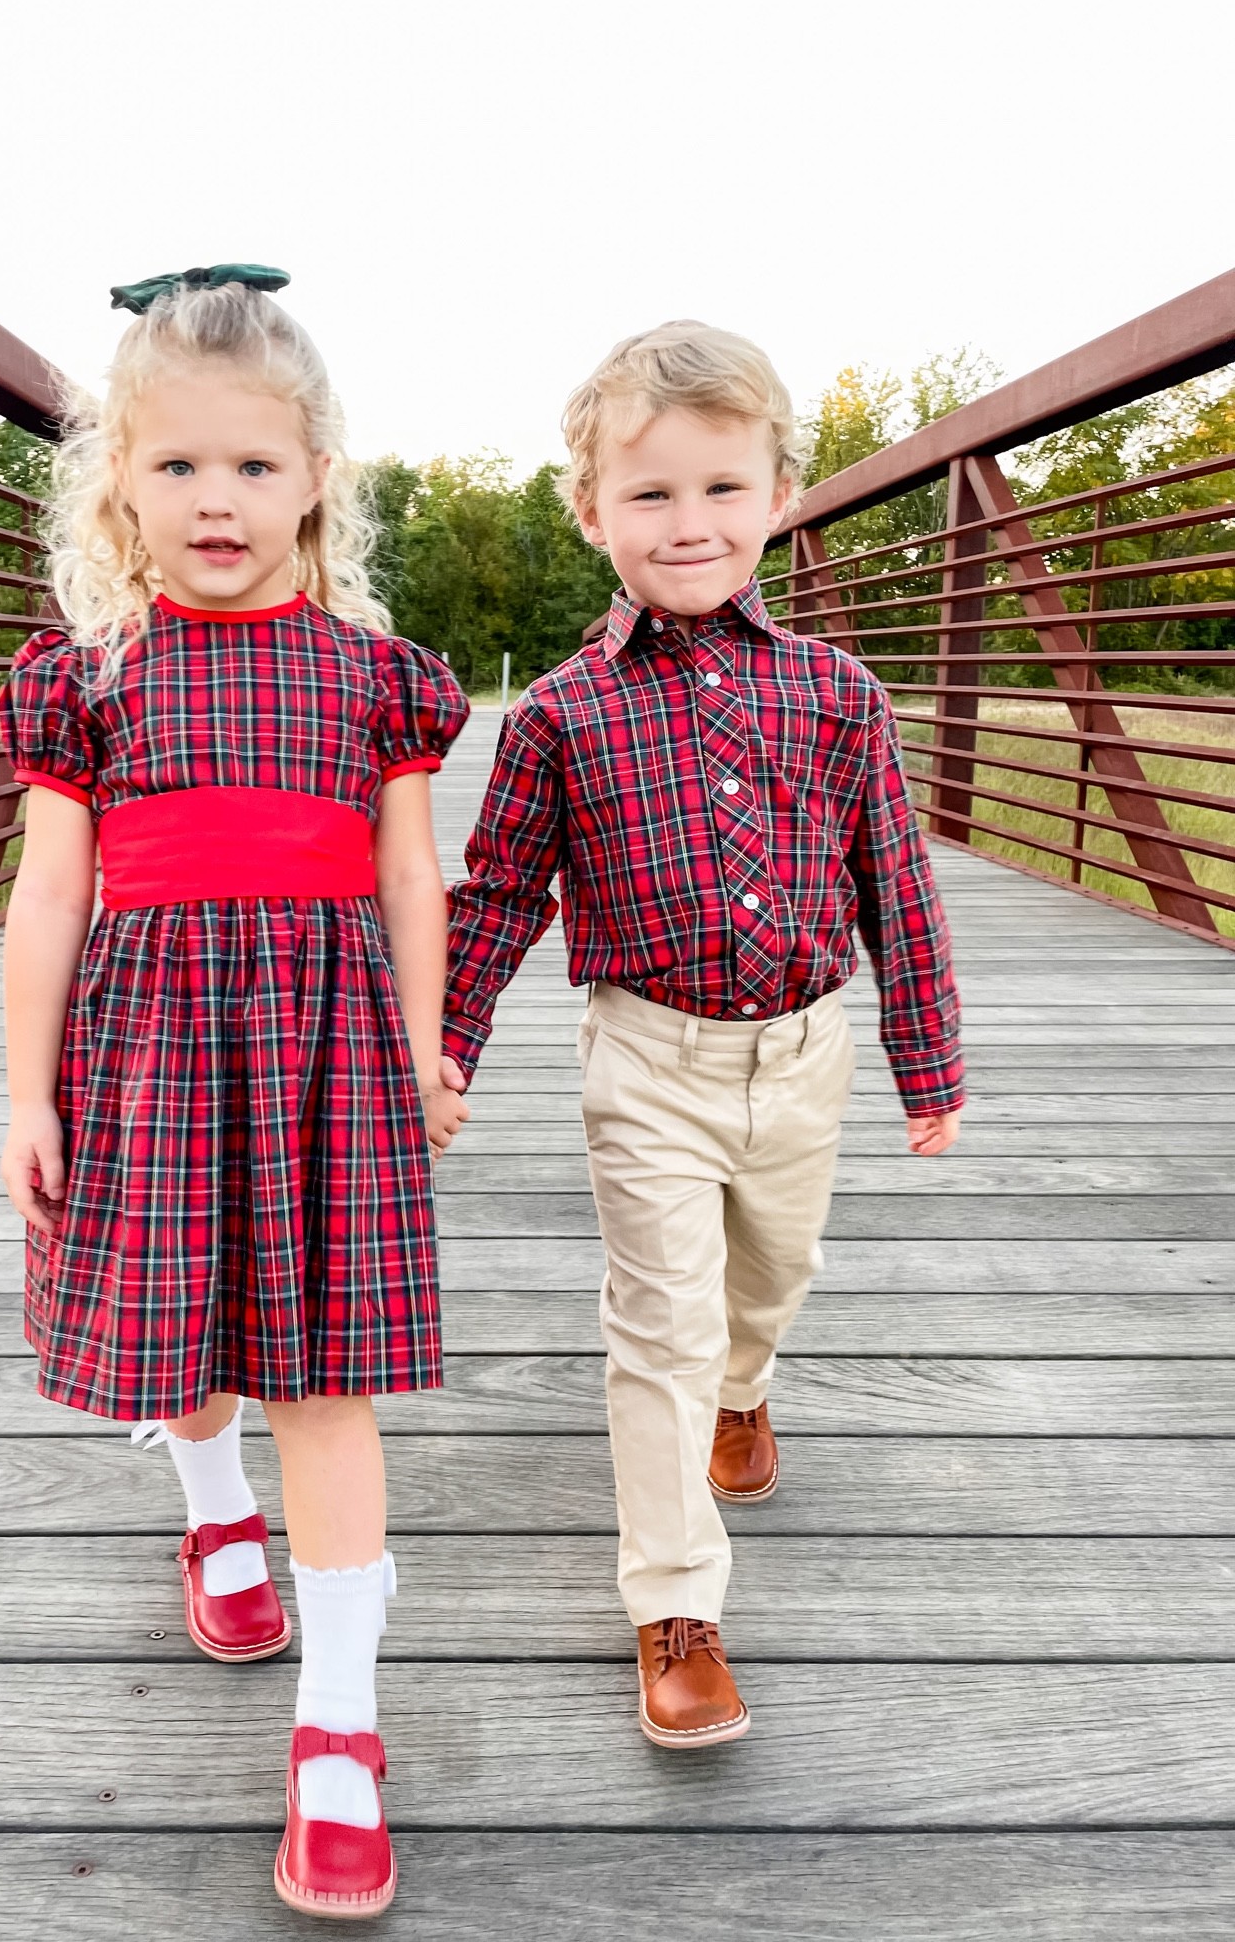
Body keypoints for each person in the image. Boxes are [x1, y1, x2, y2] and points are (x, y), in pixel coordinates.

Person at [0, 264, 468, 1919]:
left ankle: (339, 1726)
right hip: (144, 1051)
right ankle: (213, 1513)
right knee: (178, 1336)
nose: (218, 499)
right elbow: (48, 897)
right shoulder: (88, 674)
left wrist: (422, 1038)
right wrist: (26, 1093)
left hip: (332, 1047)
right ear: (118, 476)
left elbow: (418, 881)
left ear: (319, 475)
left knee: (328, 1377)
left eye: (255, 466)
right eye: (179, 464)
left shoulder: (376, 672)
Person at [439, 319, 962, 1748]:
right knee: (657, 1324)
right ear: (591, 509)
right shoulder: (558, 715)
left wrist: (932, 1060)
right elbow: (495, 896)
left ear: (780, 494)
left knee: (768, 1279)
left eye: (722, 490)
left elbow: (893, 882)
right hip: (646, 1058)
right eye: (652, 494)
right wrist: (445, 1043)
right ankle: (678, 1606)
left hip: (806, 1058)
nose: (690, 525)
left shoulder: (840, 695)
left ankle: (753, 1386)